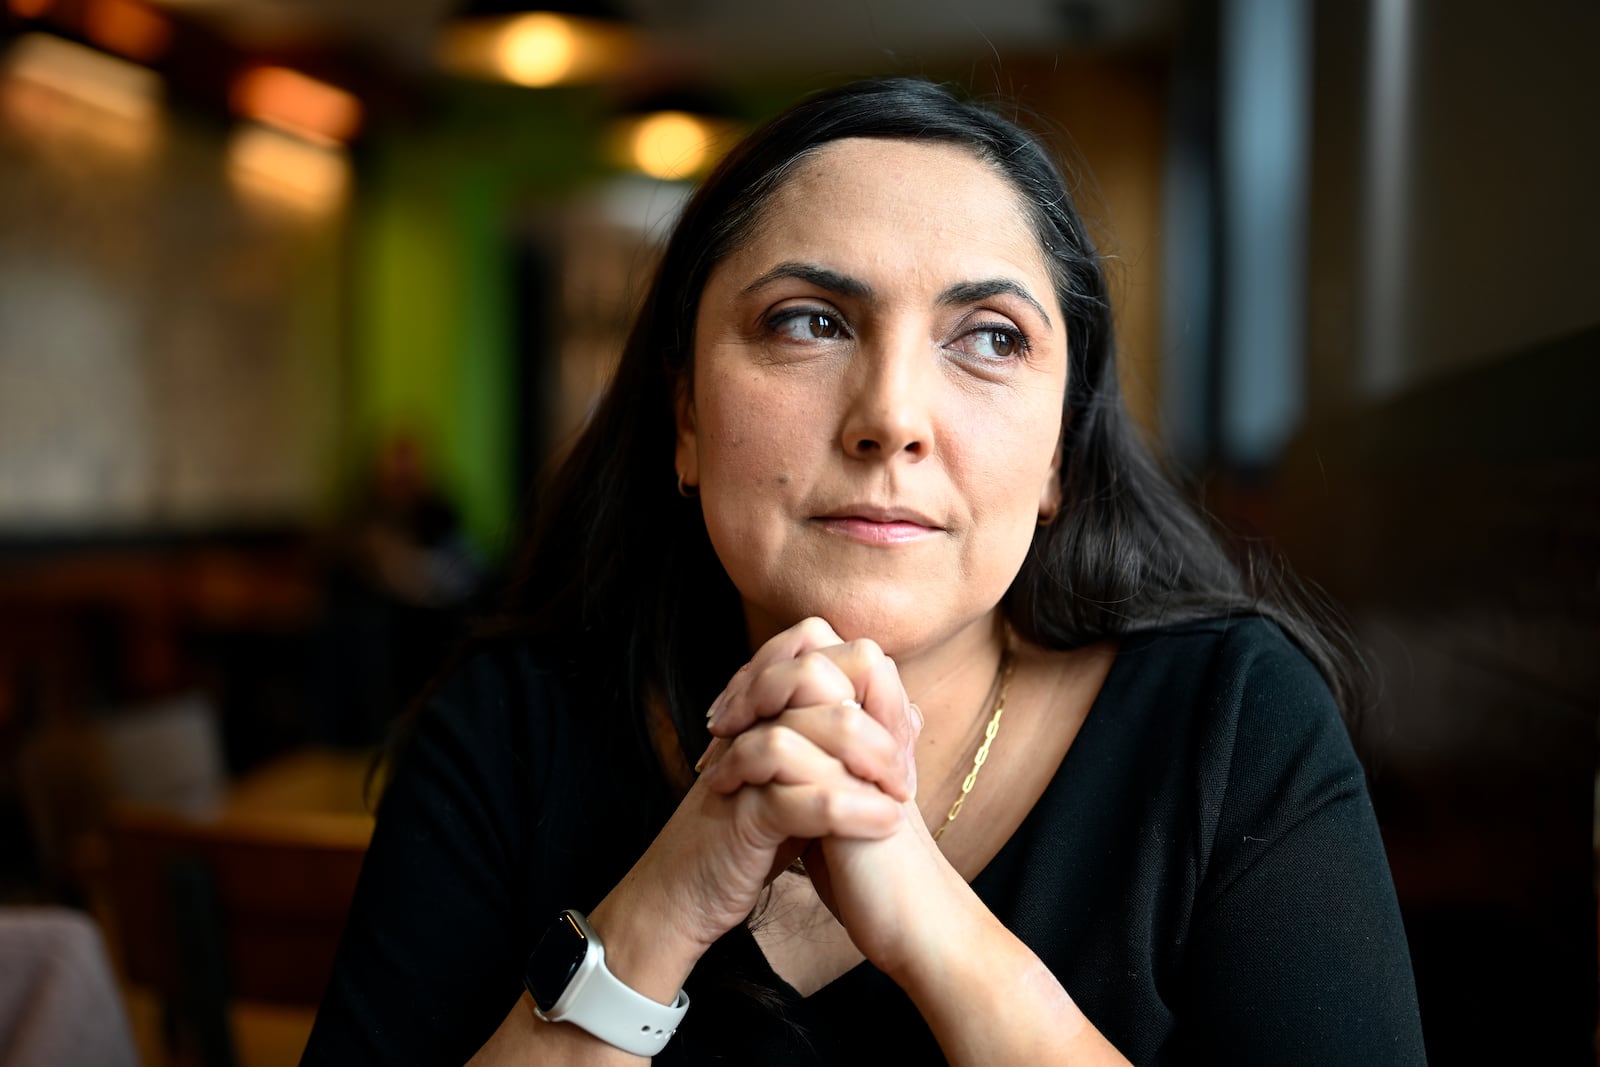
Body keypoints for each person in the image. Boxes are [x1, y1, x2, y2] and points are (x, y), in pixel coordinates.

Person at [302, 78, 1425, 1065]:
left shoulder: (1230, 725)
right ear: (685, 416)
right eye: (807, 320)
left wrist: (931, 922)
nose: (891, 418)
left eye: (988, 335)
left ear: (1061, 454)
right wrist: (660, 907)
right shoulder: (509, 727)